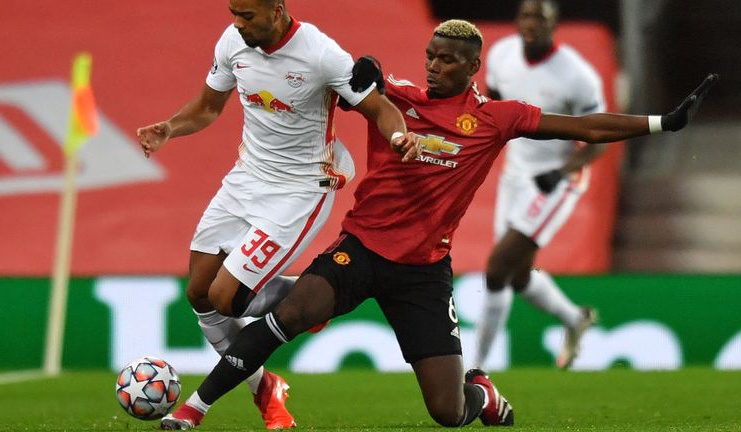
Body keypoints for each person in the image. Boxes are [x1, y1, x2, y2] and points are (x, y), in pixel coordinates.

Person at [159, 18, 716, 430]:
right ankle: (194, 408)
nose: (434, 65)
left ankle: (483, 395)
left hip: (424, 274)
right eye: (430, 55)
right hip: (360, 250)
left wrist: (660, 122)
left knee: (448, 413)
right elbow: (339, 83)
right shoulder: (397, 98)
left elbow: (583, 127)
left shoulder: (497, 119)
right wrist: (366, 77)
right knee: (290, 315)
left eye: (447, 60)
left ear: (473, 67)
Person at [136, 0, 418, 429]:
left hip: (302, 188)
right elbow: (209, 107)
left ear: (278, 10)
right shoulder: (233, 42)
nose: (238, 22)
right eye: (234, 12)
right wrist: (170, 127)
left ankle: (306, 297)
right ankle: (266, 387)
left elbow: (377, 107)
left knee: (224, 298)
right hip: (246, 178)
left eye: (247, 14)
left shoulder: (320, 53)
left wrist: (399, 137)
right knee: (198, 292)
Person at [473, 0, 608, 371]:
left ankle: (476, 369)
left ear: (554, 24)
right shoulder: (501, 55)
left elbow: (601, 138)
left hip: (556, 180)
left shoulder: (577, 75)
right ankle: (574, 318)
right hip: (515, 174)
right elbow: (492, 107)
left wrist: (564, 171)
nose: (531, 24)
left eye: (540, 18)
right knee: (518, 276)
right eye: (525, 16)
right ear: (517, 20)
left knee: (497, 267)